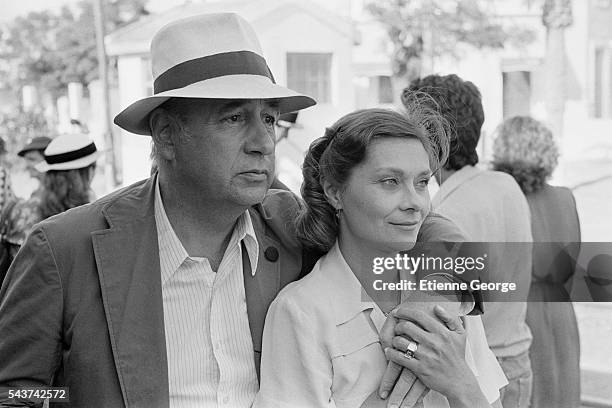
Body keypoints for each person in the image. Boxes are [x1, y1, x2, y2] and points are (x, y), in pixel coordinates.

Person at [0, 14, 465, 408]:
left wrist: (437, 285)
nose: (263, 142)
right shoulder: (64, 250)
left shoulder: (286, 224)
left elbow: (428, 227)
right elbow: (15, 392)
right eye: (234, 117)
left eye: (268, 117)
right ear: (166, 133)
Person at [254, 108, 507, 408]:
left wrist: (459, 382)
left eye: (422, 183)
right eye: (390, 181)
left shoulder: (445, 288)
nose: (415, 203)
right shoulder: (300, 312)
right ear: (334, 191)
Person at [405, 74, 534, 408]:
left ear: (430, 136)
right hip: (519, 361)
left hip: (481, 376)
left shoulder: (445, 219)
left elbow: (438, 320)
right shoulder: (506, 185)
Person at [492, 116, 581, 408]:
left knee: (531, 394)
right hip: (560, 309)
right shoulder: (565, 198)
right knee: (562, 389)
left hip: (521, 309)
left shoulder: (504, 199)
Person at [4, 134, 99, 258]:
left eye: (32, 159)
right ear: (89, 173)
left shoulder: (23, 211)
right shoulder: (95, 213)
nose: (27, 165)